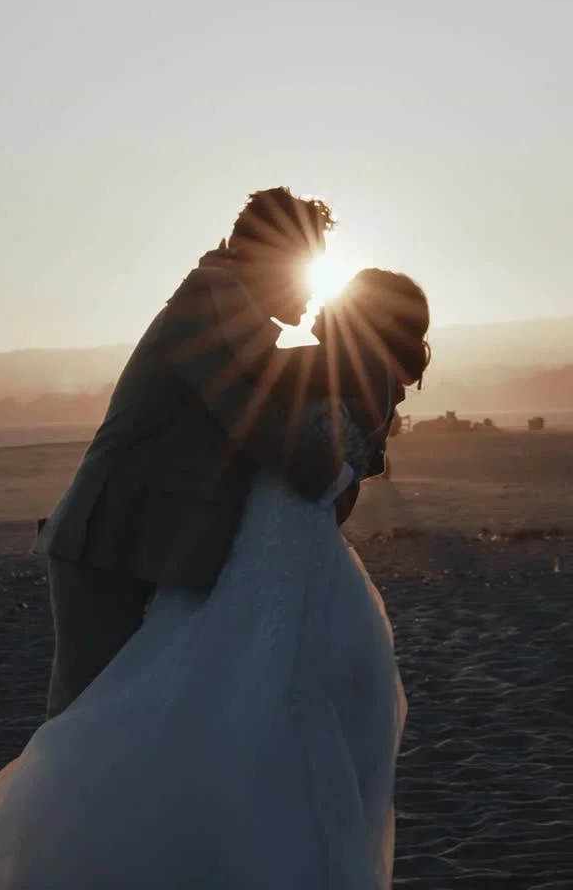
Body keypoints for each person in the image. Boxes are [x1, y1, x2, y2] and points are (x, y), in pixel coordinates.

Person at [0, 268, 430, 890]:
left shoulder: (334, 370)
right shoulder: (348, 373)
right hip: (268, 552)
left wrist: (305, 483)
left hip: (271, 553)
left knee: (205, 707)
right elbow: (338, 486)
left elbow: (294, 450)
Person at [35, 186, 368, 719]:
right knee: (87, 721)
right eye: (304, 271)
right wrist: (339, 466)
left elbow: (284, 374)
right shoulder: (208, 305)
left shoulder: (231, 312)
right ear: (267, 260)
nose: (311, 293)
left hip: (149, 545)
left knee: (131, 720)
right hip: (111, 542)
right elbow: (259, 423)